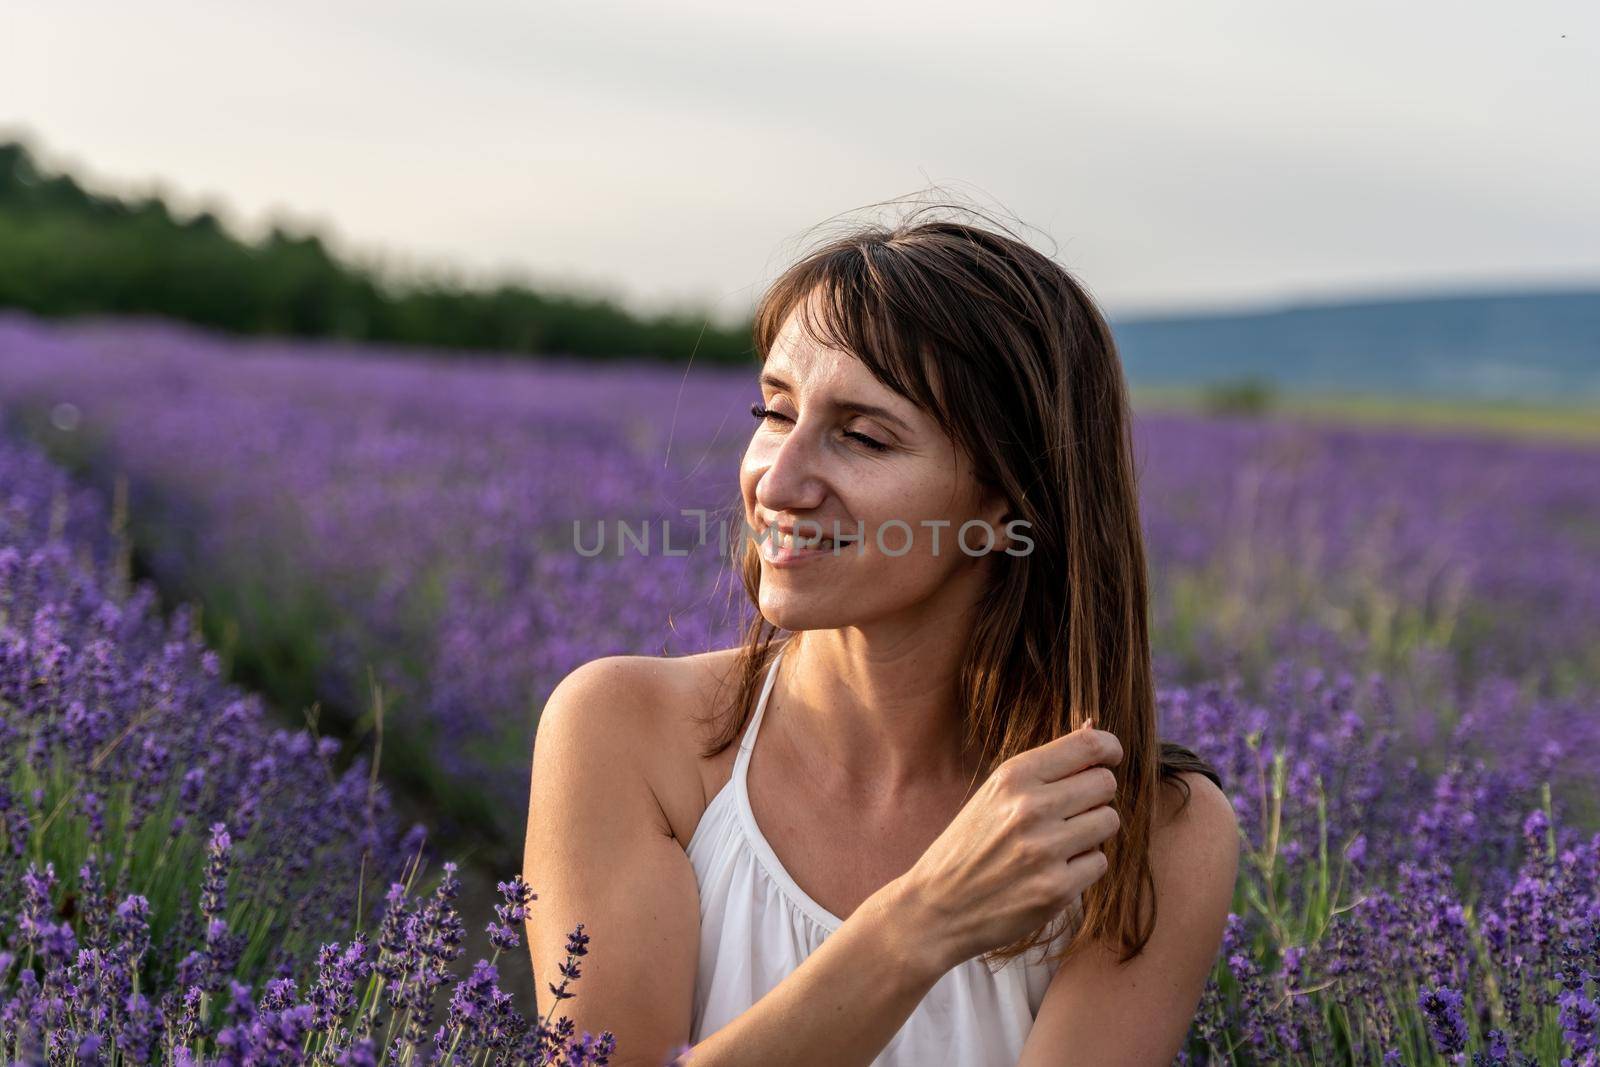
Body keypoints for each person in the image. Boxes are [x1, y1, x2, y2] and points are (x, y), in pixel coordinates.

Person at [524, 206, 1240, 1066]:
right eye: (776, 411)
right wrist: (920, 924)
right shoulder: (626, 734)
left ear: (1004, 501)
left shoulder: (1144, 830)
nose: (778, 482)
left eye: (862, 436)